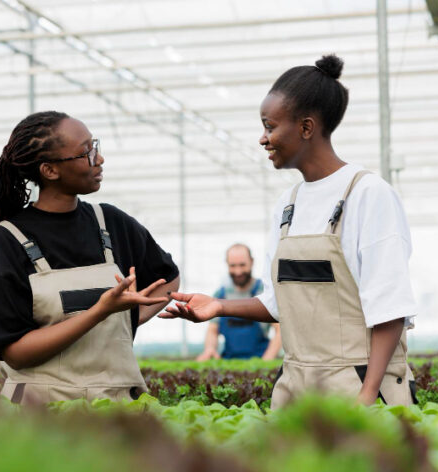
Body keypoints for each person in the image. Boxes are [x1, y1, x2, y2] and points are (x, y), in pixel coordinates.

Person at [162, 55, 418, 408]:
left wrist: (367, 394)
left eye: (270, 126)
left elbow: (390, 308)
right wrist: (219, 306)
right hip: (297, 387)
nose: (263, 139)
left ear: (307, 128)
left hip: (359, 384)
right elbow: (279, 303)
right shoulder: (288, 204)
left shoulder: (368, 194)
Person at [0, 111, 180, 405]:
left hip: (117, 407)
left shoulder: (111, 222)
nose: (99, 159)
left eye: (95, 146)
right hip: (40, 413)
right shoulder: (6, 239)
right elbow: (15, 352)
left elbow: (167, 278)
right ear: (49, 170)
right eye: (86, 153)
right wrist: (100, 312)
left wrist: (125, 317)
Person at [196, 244, 281, 361]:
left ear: (251, 262)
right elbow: (212, 330)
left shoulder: (265, 291)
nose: (238, 271)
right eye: (233, 266)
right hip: (228, 361)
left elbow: (280, 330)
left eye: (242, 265)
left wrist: (267, 360)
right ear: (227, 264)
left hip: (260, 359)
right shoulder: (221, 295)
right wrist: (210, 348)